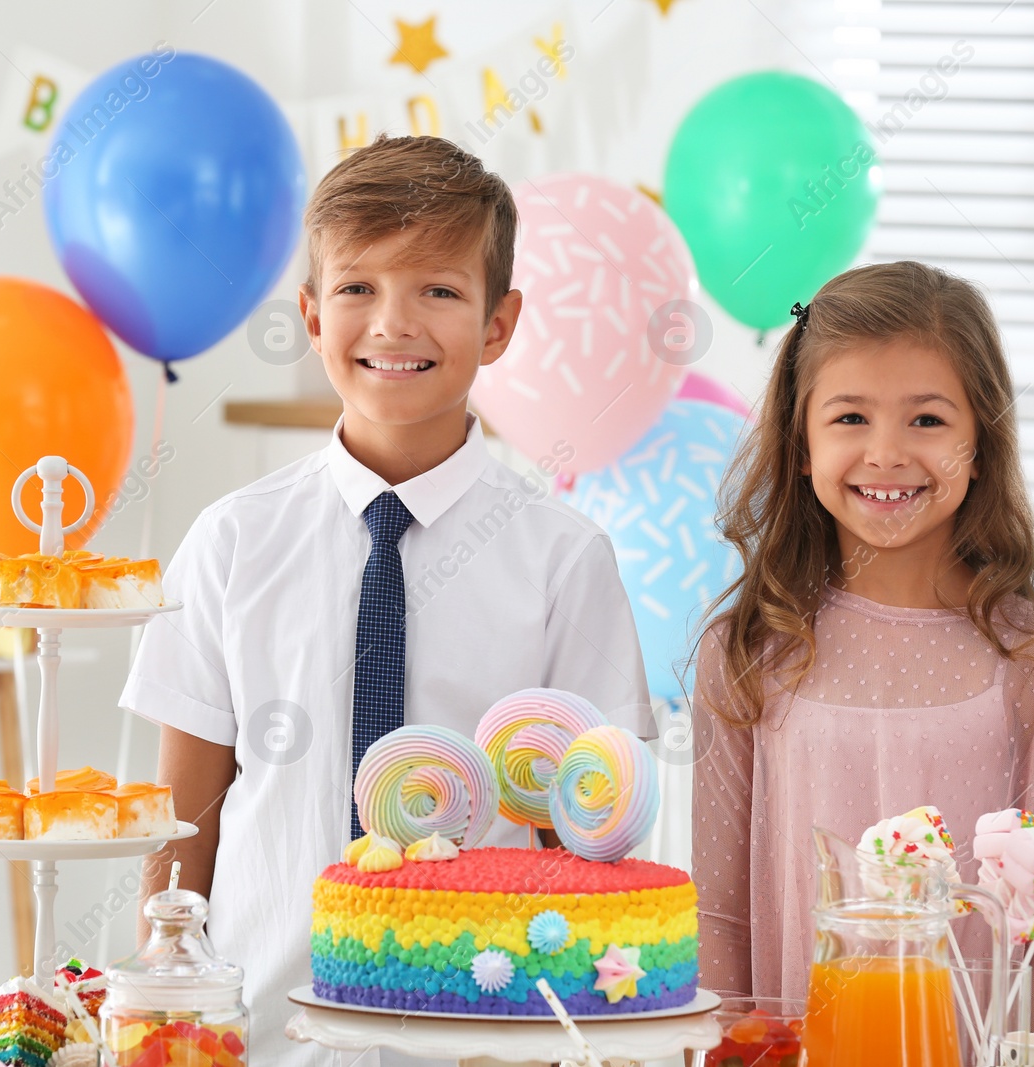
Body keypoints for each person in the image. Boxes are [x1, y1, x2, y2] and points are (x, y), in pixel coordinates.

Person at [119, 133, 650, 1067]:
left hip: (488, 1040)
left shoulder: (564, 560)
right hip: (265, 1036)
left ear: (498, 323)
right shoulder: (232, 542)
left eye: (439, 290)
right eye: (359, 288)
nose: (393, 324)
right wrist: (164, 1016)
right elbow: (182, 824)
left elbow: (592, 840)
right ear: (312, 317)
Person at [691, 260, 1034, 1032]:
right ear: (801, 443)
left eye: (928, 420)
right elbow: (718, 908)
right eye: (850, 418)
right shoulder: (749, 648)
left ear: (981, 442)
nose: (886, 453)